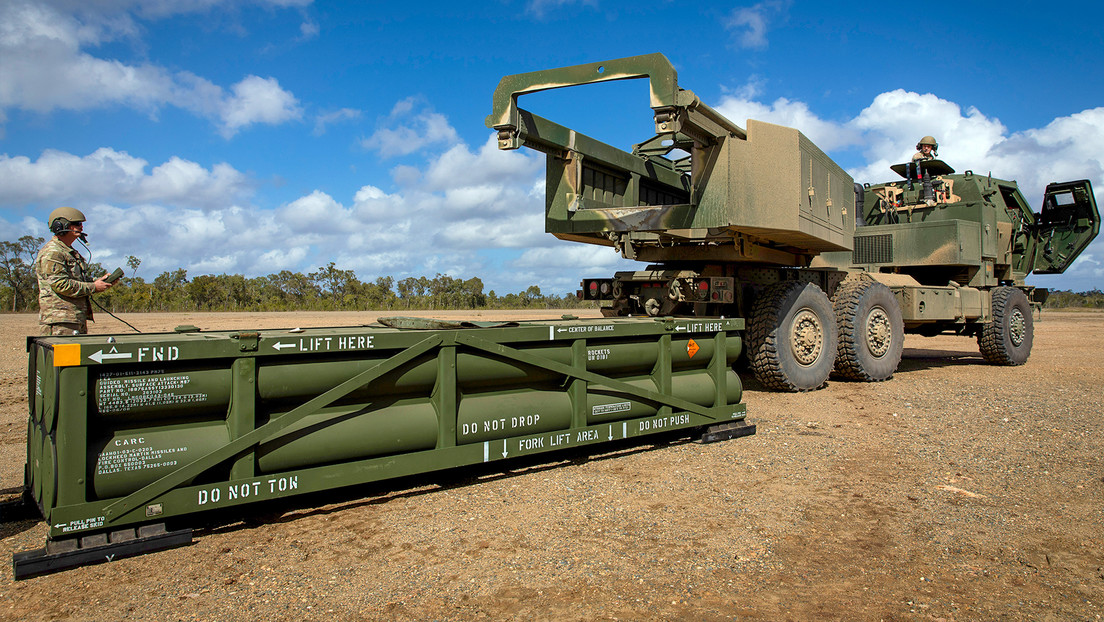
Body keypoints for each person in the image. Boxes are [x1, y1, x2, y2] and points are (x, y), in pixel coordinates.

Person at [34, 207, 115, 335]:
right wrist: (93, 287)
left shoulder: (68, 251)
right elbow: (61, 284)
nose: (81, 227)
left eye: (81, 224)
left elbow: (76, 279)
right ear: (60, 226)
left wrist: (98, 281)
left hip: (74, 319)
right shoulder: (53, 253)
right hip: (60, 321)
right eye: (77, 224)